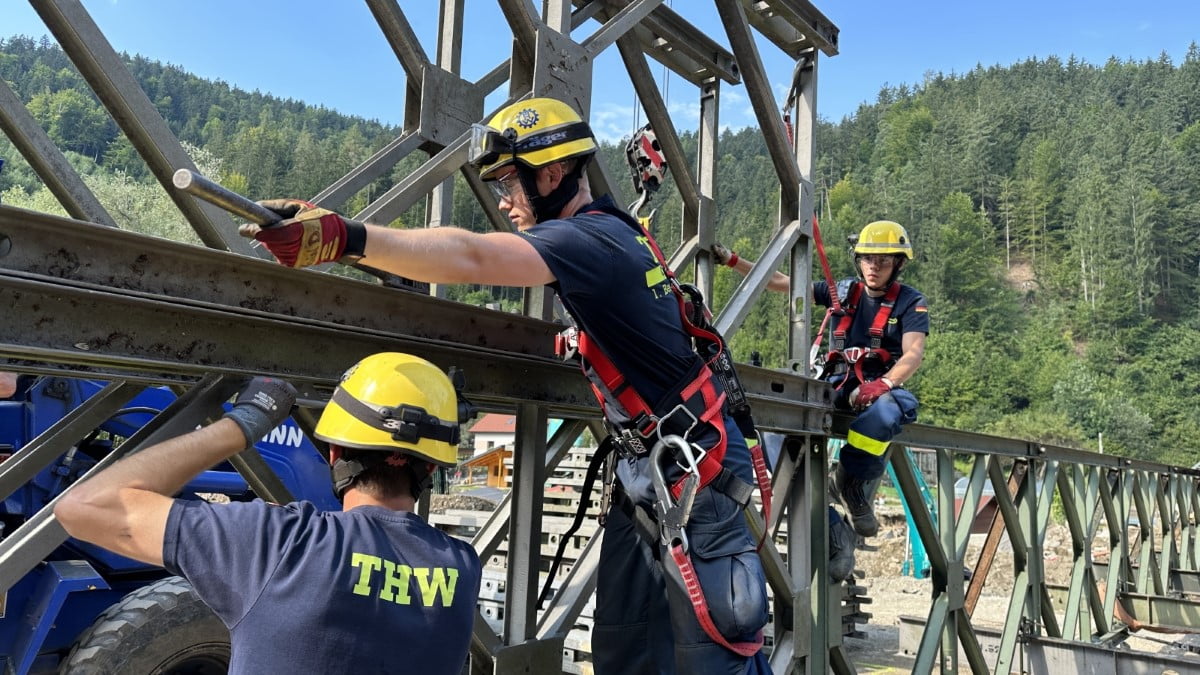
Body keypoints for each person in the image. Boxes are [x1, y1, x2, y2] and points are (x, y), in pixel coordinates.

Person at [240, 97, 771, 675]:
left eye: (508, 183)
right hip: (656, 467)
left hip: (692, 472)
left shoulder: (589, 241)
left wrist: (347, 237)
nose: (501, 201)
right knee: (628, 653)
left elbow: (470, 256)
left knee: (716, 657)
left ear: (552, 174)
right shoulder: (611, 236)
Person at [55, 352, 483, 674]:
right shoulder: (463, 568)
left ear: (335, 453)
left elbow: (83, 507)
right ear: (432, 468)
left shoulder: (277, 541)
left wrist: (244, 422)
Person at [713, 221, 928, 548]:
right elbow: (780, 281)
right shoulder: (842, 291)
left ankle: (850, 481)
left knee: (890, 411)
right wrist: (733, 260)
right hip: (835, 382)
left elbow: (913, 352)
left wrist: (884, 383)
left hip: (877, 386)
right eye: (868, 259)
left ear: (898, 263)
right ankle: (822, 516)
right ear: (859, 260)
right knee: (776, 412)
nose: (874, 267)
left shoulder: (910, 302)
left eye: (884, 261)